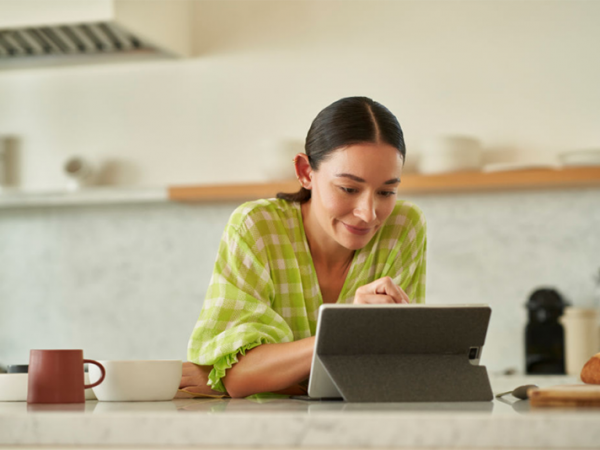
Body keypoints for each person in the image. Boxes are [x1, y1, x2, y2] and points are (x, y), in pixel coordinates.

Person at [181, 96, 427, 398]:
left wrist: (275, 378)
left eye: (387, 191)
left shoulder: (404, 226)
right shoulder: (256, 227)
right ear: (305, 173)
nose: (369, 213)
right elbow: (238, 376)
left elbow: (396, 370)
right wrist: (346, 328)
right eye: (348, 189)